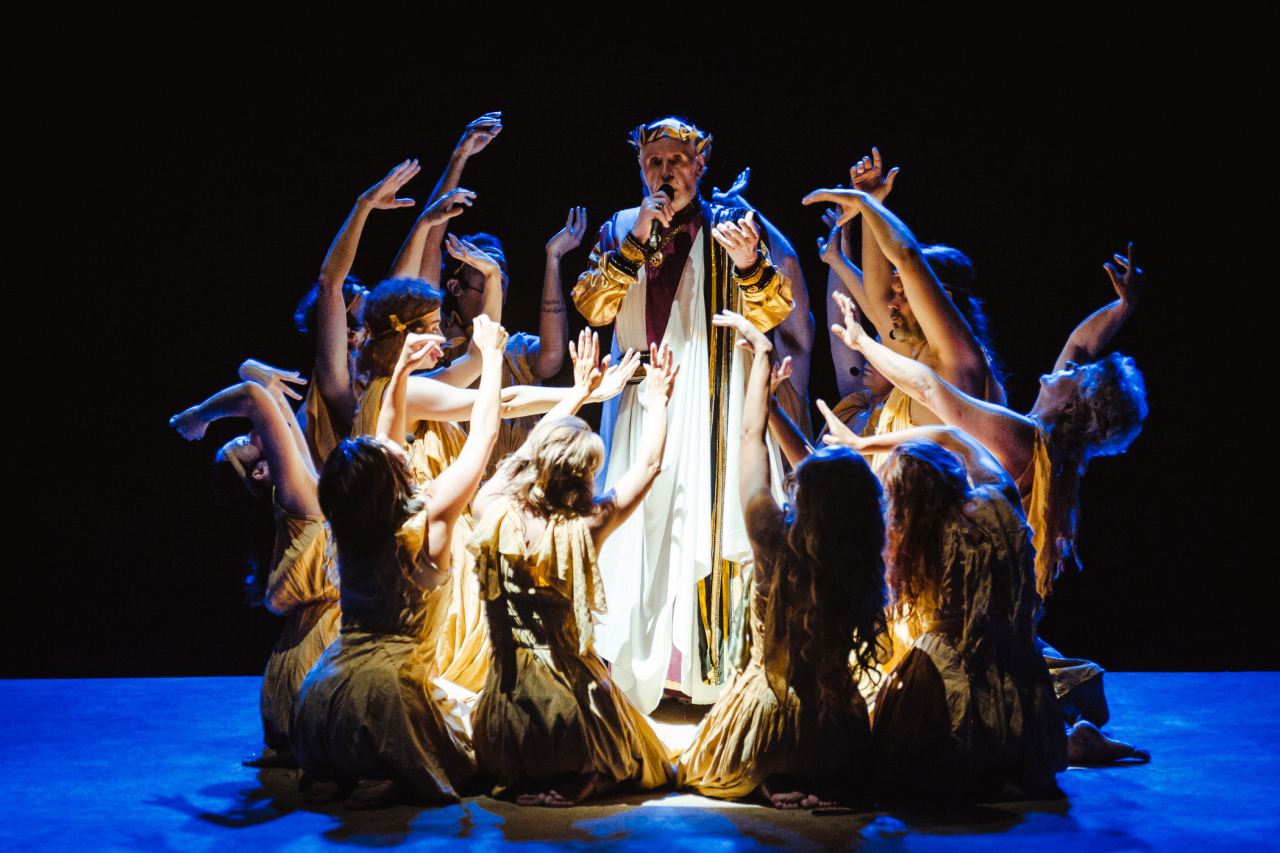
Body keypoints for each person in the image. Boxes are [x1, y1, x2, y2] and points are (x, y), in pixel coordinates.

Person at [824, 255, 1152, 763]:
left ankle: (1066, 740)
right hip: (991, 584)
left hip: (964, 577)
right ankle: (1062, 730)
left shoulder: (1022, 439)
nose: (1065, 366)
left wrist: (864, 342)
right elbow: (1082, 345)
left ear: (1070, 405)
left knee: (925, 693)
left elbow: (934, 396)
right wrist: (1123, 307)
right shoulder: (1053, 448)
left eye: (1075, 375)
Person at [571, 116, 793, 712]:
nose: (665, 172)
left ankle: (702, 676)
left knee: (702, 520)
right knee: (635, 526)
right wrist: (635, 240)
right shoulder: (621, 226)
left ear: (700, 163)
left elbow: (774, 311)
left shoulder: (731, 225)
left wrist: (749, 265)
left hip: (711, 394)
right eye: (654, 162)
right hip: (642, 396)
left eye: (676, 161)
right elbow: (592, 306)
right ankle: (628, 668)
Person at [350, 275, 636, 692]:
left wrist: (492, 284)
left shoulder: (398, 387)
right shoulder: (409, 392)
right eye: (433, 329)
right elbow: (500, 403)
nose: (444, 338)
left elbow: (477, 368)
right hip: (430, 524)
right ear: (407, 338)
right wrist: (583, 394)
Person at [288, 316, 505, 808]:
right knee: (480, 740)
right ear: (390, 481)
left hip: (324, 691)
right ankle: (388, 770)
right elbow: (484, 436)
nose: (399, 447)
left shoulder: (347, 525)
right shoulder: (424, 527)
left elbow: (384, 440)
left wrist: (403, 369)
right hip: (389, 697)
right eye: (393, 455)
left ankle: (345, 767)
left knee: (355, 741)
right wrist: (492, 357)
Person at [676, 312, 884, 810]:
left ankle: (771, 769)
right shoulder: (859, 555)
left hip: (773, 710)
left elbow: (750, 438)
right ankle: (826, 773)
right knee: (845, 738)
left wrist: (762, 358)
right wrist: (770, 399)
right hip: (834, 715)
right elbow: (831, 485)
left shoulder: (772, 538)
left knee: (713, 757)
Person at [467, 334, 681, 807]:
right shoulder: (588, 525)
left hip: (507, 701)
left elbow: (521, 457)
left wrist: (580, 392)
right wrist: (659, 398)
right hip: (569, 705)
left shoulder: (491, 507)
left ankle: (544, 767)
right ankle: (591, 771)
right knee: (623, 743)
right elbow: (648, 465)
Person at [871, 439, 1068, 802]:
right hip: (1012, 652)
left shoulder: (921, 532)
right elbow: (953, 433)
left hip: (947, 663)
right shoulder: (997, 504)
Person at [170, 361, 334, 768]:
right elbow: (252, 399)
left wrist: (251, 369)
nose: (254, 430)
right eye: (246, 440)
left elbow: (260, 391)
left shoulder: (299, 490)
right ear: (261, 471)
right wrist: (198, 417)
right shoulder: (299, 496)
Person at [805, 154, 1004, 468]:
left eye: (905, 293)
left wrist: (867, 205)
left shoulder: (958, 358)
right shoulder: (916, 356)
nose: (892, 303)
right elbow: (878, 295)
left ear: (941, 298)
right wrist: (872, 205)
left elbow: (907, 256)